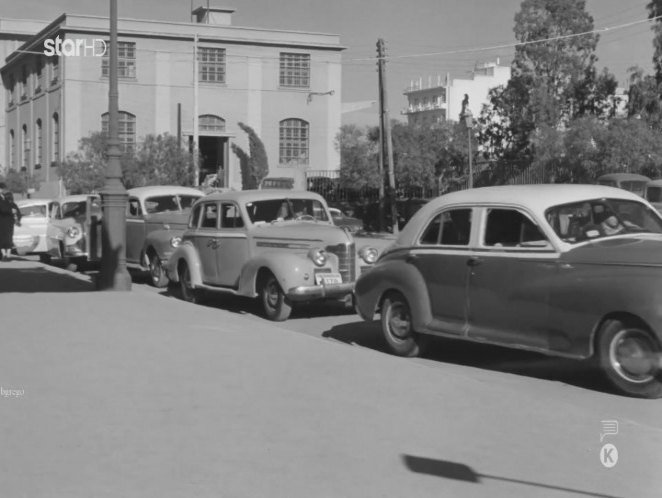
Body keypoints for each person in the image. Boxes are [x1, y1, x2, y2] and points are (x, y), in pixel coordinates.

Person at [0, 183, 19, 261]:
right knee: (1, 238)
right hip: (1, 221)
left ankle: (7, 255)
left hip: (8, 222)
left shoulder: (5, 197)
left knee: (8, 238)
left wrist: (15, 212)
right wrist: (11, 210)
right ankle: (4, 255)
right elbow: (3, 209)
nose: (2, 190)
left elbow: (14, 207)